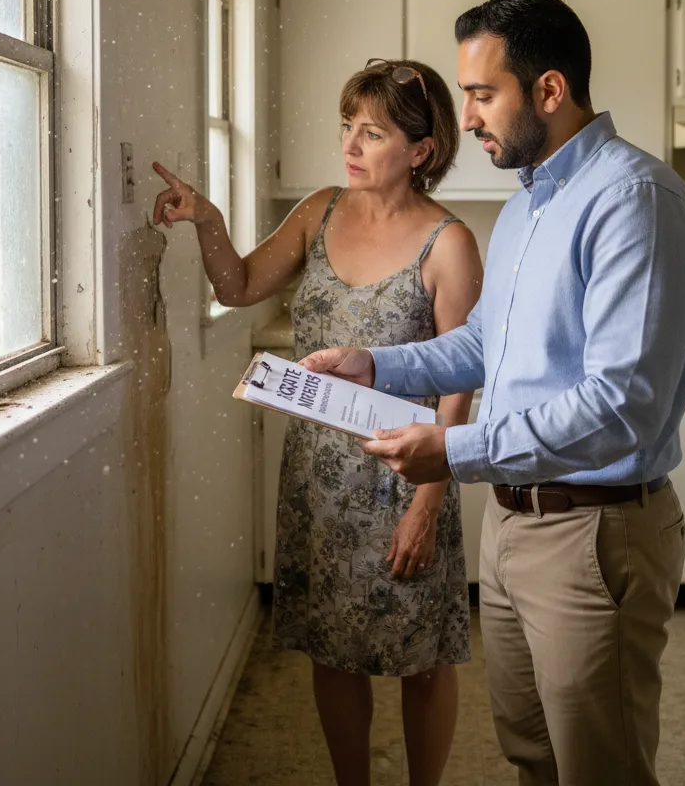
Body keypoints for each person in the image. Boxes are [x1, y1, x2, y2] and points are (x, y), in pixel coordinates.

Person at [301, 0, 685, 786]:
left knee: (600, 769)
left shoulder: (636, 203)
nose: (469, 115)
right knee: (534, 758)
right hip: (516, 523)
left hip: (595, 534)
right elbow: (491, 343)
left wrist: (454, 450)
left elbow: (620, 405)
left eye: (484, 94)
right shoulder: (529, 203)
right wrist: (377, 365)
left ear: (550, 91)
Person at [151, 58, 483, 786]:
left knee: (421, 657)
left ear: (421, 151)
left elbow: (463, 379)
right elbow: (237, 286)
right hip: (318, 481)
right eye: (347, 128)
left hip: (407, 474)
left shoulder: (449, 244)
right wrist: (206, 218)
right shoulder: (319, 210)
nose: (351, 145)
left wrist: (428, 503)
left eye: (373, 132)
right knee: (333, 651)